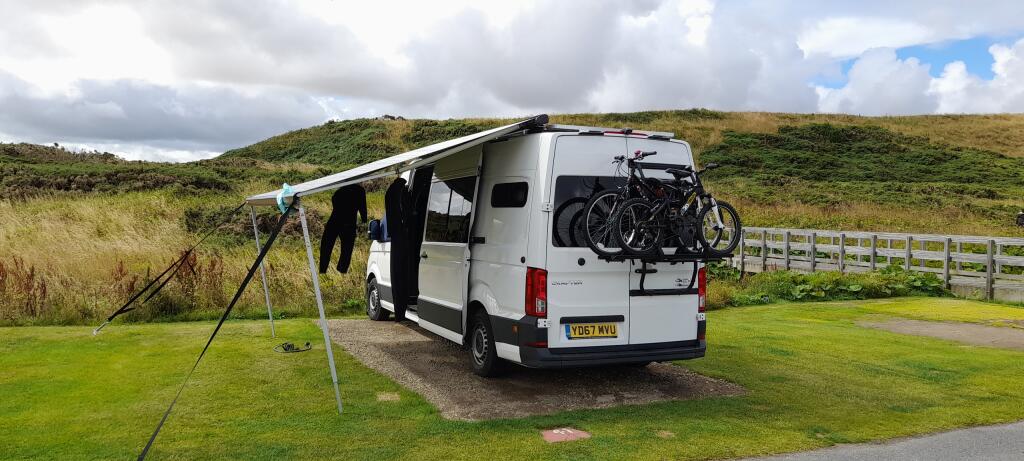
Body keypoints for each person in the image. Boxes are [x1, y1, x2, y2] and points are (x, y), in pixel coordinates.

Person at [319, 184, 367, 274]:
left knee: (326, 245)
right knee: (347, 247)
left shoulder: (341, 190)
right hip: (349, 221)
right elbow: (362, 206)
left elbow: (334, 199)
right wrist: (364, 219)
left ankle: (323, 269)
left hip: (335, 219)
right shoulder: (360, 190)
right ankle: (341, 269)